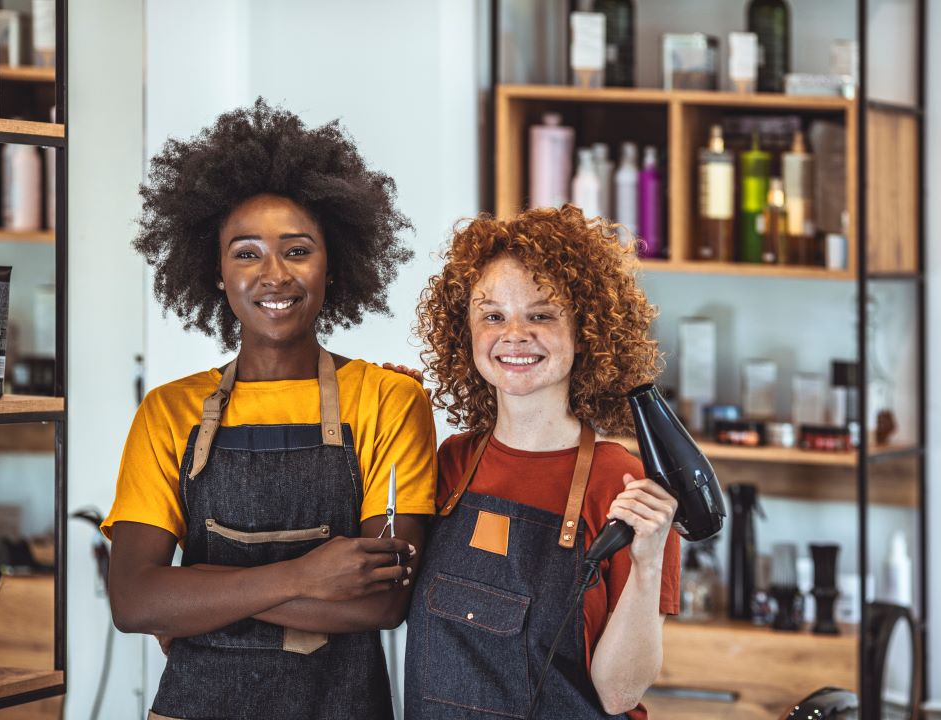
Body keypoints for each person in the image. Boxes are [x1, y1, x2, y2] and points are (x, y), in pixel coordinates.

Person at [102, 99, 435, 720]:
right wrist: (305, 576)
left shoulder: (391, 400)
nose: (273, 275)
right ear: (217, 272)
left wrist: (198, 589)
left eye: (298, 250)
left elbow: (383, 603)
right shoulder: (168, 411)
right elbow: (133, 602)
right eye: (246, 252)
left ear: (334, 265)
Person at [404, 205, 681, 719]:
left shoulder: (623, 484)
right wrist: (386, 410)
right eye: (492, 315)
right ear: (465, 334)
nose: (514, 334)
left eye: (542, 314)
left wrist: (646, 566)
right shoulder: (451, 463)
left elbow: (620, 696)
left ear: (587, 332)